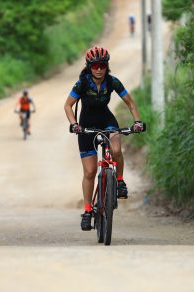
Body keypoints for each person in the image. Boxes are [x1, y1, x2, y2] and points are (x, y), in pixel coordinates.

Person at [63, 46, 145, 231]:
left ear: (107, 66)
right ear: (89, 66)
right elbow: (68, 105)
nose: (98, 69)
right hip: (86, 125)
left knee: (116, 150)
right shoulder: (82, 84)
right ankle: (86, 211)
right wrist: (74, 124)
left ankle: (120, 181)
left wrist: (137, 121)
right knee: (90, 172)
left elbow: (130, 103)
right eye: (95, 65)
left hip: (107, 120)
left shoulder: (112, 81)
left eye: (102, 65)